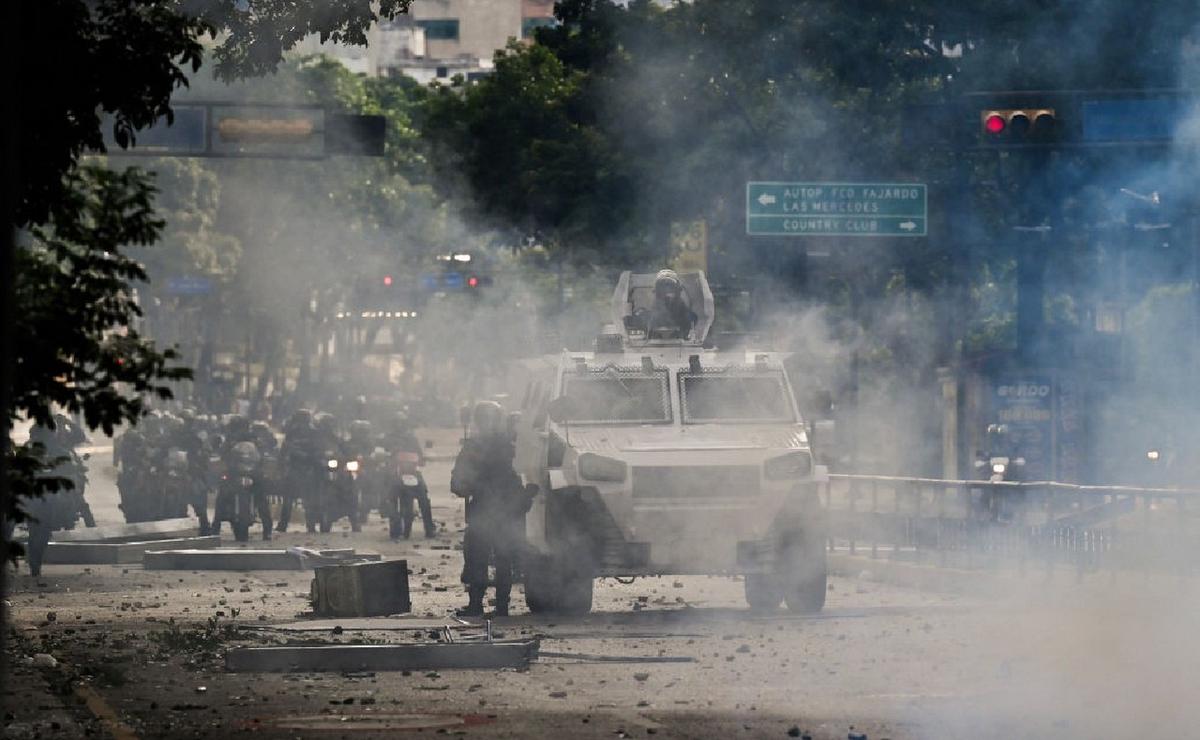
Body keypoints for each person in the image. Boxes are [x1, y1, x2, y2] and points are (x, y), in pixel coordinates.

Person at [450, 401, 531, 617]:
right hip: (504, 511)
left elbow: (458, 482)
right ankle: (501, 607)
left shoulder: (475, 446)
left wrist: (466, 487)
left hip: (484, 511)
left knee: (477, 557)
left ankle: (476, 604)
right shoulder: (510, 447)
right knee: (503, 558)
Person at [384, 412, 435, 538]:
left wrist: (422, 459)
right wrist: (386, 459)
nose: (399, 425)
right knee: (391, 496)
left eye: (401, 423)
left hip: (412, 472)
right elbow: (382, 452)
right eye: (397, 423)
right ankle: (394, 525)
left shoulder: (411, 438)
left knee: (423, 497)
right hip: (395, 471)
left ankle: (429, 528)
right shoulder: (388, 438)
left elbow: (419, 454)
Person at [278, 409, 318, 533]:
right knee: (297, 499)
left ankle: (286, 525)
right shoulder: (293, 432)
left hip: (307, 468)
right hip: (298, 468)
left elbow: (319, 449)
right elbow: (285, 449)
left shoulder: (313, 433)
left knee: (302, 499)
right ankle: (286, 524)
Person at [646, 269, 697, 339]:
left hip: (679, 339)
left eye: (670, 286)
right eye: (663, 286)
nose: (667, 290)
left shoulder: (682, 308)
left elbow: (690, 319)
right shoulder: (655, 309)